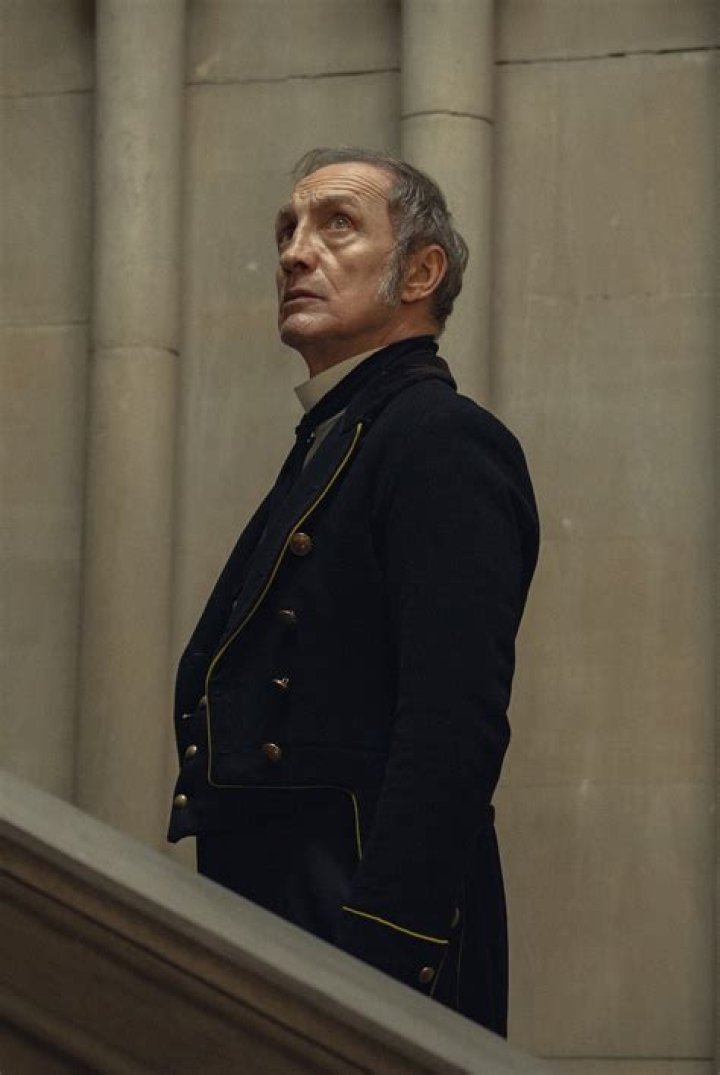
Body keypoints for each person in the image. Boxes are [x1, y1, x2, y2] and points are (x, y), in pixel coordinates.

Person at [168, 147, 539, 1036]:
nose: (296, 252)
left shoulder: (439, 439)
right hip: (284, 919)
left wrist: (376, 972)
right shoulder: (342, 434)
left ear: (420, 272)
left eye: (337, 224)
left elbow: (452, 726)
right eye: (287, 230)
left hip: (361, 944)